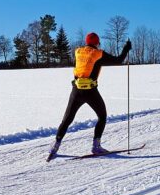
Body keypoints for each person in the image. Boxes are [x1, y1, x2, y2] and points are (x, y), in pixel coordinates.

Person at [47, 32, 132, 161]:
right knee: (102, 117)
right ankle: (96, 146)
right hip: (91, 91)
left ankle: (55, 145)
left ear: (86, 42)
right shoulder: (98, 54)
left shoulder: (78, 52)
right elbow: (118, 60)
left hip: (76, 90)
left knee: (67, 119)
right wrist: (126, 48)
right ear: (97, 43)